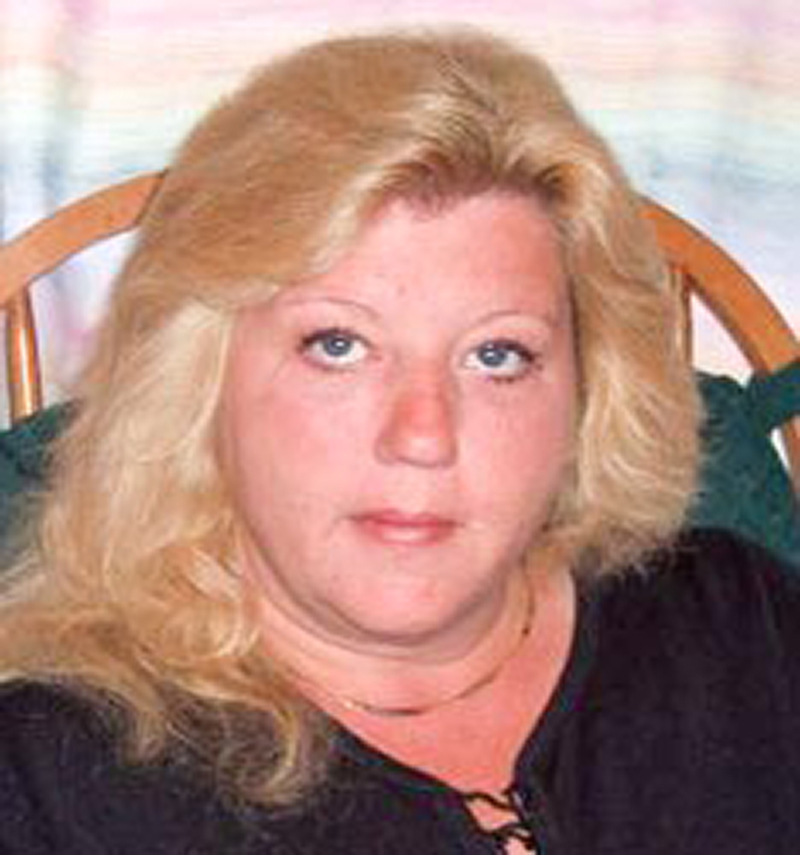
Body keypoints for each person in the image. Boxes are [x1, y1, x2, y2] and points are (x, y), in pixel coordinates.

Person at [0, 28, 797, 855]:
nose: (423, 436)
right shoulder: (46, 781)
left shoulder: (740, 627)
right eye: (339, 345)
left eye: (497, 355)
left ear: (588, 390)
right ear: (199, 383)